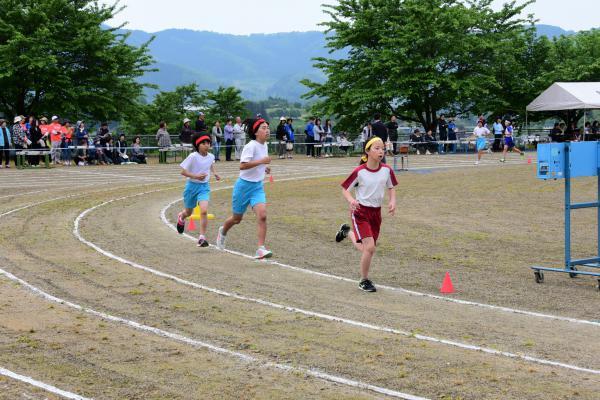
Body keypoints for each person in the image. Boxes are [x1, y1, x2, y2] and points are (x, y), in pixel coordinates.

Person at [335, 136, 398, 293]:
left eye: (382, 148)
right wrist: (351, 200)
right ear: (368, 151)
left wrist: (392, 201)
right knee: (370, 248)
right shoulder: (360, 172)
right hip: (360, 212)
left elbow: (391, 187)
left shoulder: (387, 170)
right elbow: (345, 189)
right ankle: (364, 280)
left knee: (366, 248)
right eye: (376, 148)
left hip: (376, 213)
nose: (381, 151)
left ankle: (347, 232)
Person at [216, 118, 273, 259]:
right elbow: (242, 165)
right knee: (236, 219)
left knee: (263, 215)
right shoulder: (251, 146)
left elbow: (258, 162)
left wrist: (264, 167)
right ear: (255, 132)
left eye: (267, 127)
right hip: (243, 186)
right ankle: (222, 231)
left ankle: (260, 248)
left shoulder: (264, 145)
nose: (267, 130)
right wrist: (262, 162)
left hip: (257, 187)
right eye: (264, 128)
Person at [176, 133, 222, 247]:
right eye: (203, 143)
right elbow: (182, 171)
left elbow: (210, 164)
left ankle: (202, 237)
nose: (207, 145)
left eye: (208, 143)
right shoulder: (193, 156)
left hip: (204, 187)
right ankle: (181, 217)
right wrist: (195, 176)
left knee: (204, 211)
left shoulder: (211, 156)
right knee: (188, 212)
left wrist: (215, 173)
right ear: (198, 145)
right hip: (191, 186)